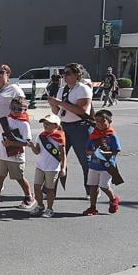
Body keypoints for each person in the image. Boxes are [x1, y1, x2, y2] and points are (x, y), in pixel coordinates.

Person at [48, 63, 94, 197]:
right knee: (57, 158)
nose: (65, 76)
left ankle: (90, 190)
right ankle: (51, 189)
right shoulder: (63, 89)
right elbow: (58, 112)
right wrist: (53, 105)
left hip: (81, 127)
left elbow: (82, 110)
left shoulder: (83, 89)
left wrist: (60, 103)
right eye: (64, 73)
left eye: (68, 73)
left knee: (85, 161)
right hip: (64, 126)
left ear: (77, 75)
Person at [28, 114, 66, 218]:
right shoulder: (41, 136)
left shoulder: (59, 137)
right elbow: (37, 151)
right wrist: (32, 146)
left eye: (48, 123)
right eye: (44, 123)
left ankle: (50, 209)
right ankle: (40, 206)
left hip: (52, 168)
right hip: (40, 165)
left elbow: (63, 154)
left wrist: (63, 168)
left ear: (55, 125)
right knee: (36, 187)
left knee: (50, 189)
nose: (45, 125)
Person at [84, 110, 121, 216]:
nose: (99, 124)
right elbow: (87, 149)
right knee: (93, 186)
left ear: (109, 122)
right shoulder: (93, 135)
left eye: (102, 121)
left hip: (106, 166)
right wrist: (92, 152)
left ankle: (113, 198)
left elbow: (116, 150)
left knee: (104, 186)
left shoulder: (111, 135)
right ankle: (92, 207)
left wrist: (105, 153)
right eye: (97, 121)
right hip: (94, 165)